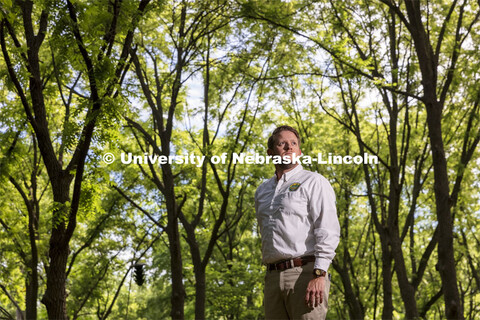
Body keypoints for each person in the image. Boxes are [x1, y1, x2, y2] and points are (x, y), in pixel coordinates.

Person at [255, 125, 340, 320]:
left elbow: (328, 229)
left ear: (299, 152)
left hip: (306, 273)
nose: (289, 147)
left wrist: (319, 274)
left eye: (293, 143)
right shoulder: (262, 191)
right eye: (282, 143)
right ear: (270, 153)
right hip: (272, 278)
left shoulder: (314, 181)